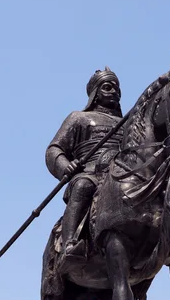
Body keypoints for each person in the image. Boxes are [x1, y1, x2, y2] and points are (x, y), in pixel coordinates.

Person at [45, 67, 123, 264]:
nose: (113, 91)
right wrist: (65, 166)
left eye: (116, 88)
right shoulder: (78, 118)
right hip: (90, 172)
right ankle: (69, 244)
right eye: (107, 87)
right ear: (95, 93)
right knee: (82, 185)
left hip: (122, 174)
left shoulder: (127, 123)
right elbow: (54, 149)